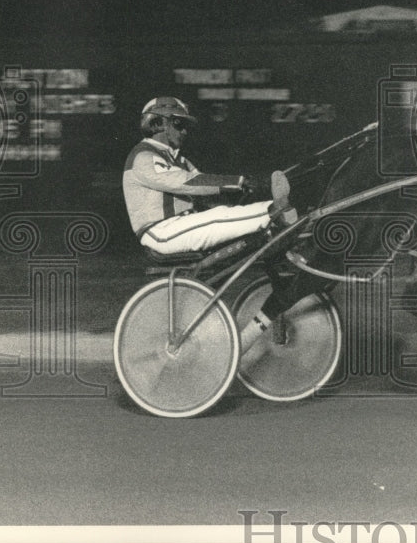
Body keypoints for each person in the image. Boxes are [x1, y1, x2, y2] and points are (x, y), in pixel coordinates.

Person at [122, 96, 300, 352]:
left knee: (223, 212)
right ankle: (275, 211)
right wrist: (237, 181)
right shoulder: (144, 155)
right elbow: (186, 183)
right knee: (218, 217)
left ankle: (275, 217)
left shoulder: (179, 159)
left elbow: (205, 183)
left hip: (181, 227)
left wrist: (240, 189)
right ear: (158, 123)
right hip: (160, 233)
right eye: (179, 124)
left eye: (185, 126)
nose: (185, 131)